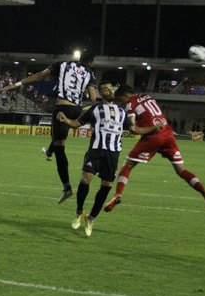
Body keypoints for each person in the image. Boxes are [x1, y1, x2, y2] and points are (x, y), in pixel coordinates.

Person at [57, 82, 161, 236]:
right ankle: (79, 211)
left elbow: (134, 129)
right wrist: (65, 119)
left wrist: (153, 128)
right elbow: (76, 124)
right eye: (105, 89)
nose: (109, 90)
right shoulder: (94, 109)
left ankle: (91, 218)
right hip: (95, 151)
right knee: (85, 180)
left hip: (112, 154)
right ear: (101, 93)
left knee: (106, 187)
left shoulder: (122, 111)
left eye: (111, 88)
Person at [2, 50, 97, 203]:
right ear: (91, 62)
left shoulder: (62, 64)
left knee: (60, 149)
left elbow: (40, 75)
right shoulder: (90, 74)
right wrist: (82, 94)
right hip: (77, 110)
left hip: (62, 107)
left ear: (79, 58)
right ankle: (49, 151)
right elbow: (93, 98)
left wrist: (17, 84)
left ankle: (66, 187)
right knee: (57, 137)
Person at [104, 84, 205, 212]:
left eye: (120, 100)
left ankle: (118, 195)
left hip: (153, 136)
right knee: (181, 170)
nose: (122, 103)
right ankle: (204, 192)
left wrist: (146, 128)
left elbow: (134, 129)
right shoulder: (146, 96)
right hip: (168, 134)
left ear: (125, 96)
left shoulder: (131, 103)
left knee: (128, 165)